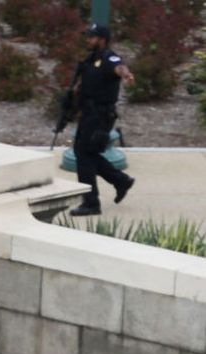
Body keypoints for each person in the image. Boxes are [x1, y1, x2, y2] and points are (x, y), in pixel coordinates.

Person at [70, 24, 136, 217]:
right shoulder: (91, 60)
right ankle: (120, 181)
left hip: (100, 116)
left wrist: (127, 75)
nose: (88, 40)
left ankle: (91, 203)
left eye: (92, 37)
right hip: (88, 113)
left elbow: (119, 67)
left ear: (102, 39)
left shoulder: (109, 58)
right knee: (84, 153)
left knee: (84, 154)